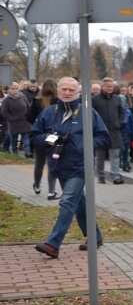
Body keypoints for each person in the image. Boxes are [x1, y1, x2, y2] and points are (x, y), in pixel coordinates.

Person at [30, 77, 110, 258]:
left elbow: (104, 137)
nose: (67, 93)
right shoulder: (49, 112)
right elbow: (35, 136)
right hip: (59, 165)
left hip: (80, 166)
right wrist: (50, 139)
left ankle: (53, 244)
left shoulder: (88, 112)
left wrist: (83, 144)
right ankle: (95, 236)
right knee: (78, 202)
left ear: (78, 92)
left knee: (67, 201)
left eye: (71, 90)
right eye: (64, 89)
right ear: (58, 90)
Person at [27, 78, 59, 200]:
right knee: (52, 164)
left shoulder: (36, 101)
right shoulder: (58, 101)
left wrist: (36, 126)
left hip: (39, 136)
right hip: (54, 136)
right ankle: (51, 191)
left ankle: (37, 185)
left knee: (39, 163)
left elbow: (28, 116)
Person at [92, 77, 125, 185]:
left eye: (112, 86)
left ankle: (115, 176)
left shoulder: (117, 99)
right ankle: (101, 176)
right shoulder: (95, 99)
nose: (110, 88)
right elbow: (91, 114)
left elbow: (122, 112)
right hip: (100, 132)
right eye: (108, 86)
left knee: (115, 154)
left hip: (115, 131)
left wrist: (120, 123)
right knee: (100, 156)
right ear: (103, 87)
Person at [0, 82, 33, 158]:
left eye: (16, 88)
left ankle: (27, 152)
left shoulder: (23, 97)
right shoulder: (6, 100)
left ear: (19, 89)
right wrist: (10, 119)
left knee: (26, 138)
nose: (15, 90)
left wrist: (28, 116)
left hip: (24, 121)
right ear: (9, 90)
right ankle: (15, 155)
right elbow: (3, 112)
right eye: (13, 88)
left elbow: (28, 106)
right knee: (14, 140)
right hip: (13, 123)